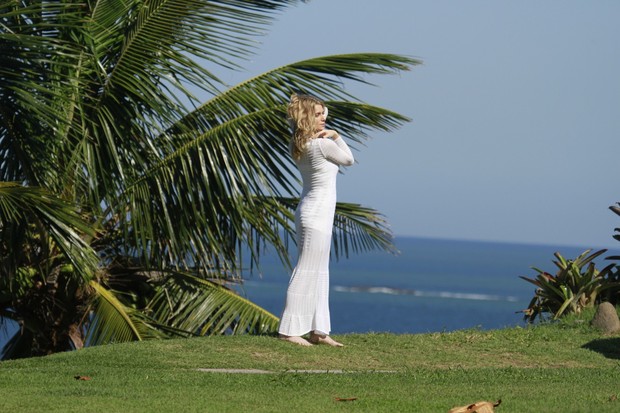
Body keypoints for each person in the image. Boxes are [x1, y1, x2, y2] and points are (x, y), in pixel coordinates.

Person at [278, 94, 354, 347]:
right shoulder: (321, 144)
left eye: (325, 114)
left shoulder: (299, 143)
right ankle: (289, 331)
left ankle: (318, 331)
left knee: (319, 270)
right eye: (319, 114)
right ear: (308, 117)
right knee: (307, 270)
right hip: (316, 214)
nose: (324, 119)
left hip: (312, 211)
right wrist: (336, 136)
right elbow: (348, 160)